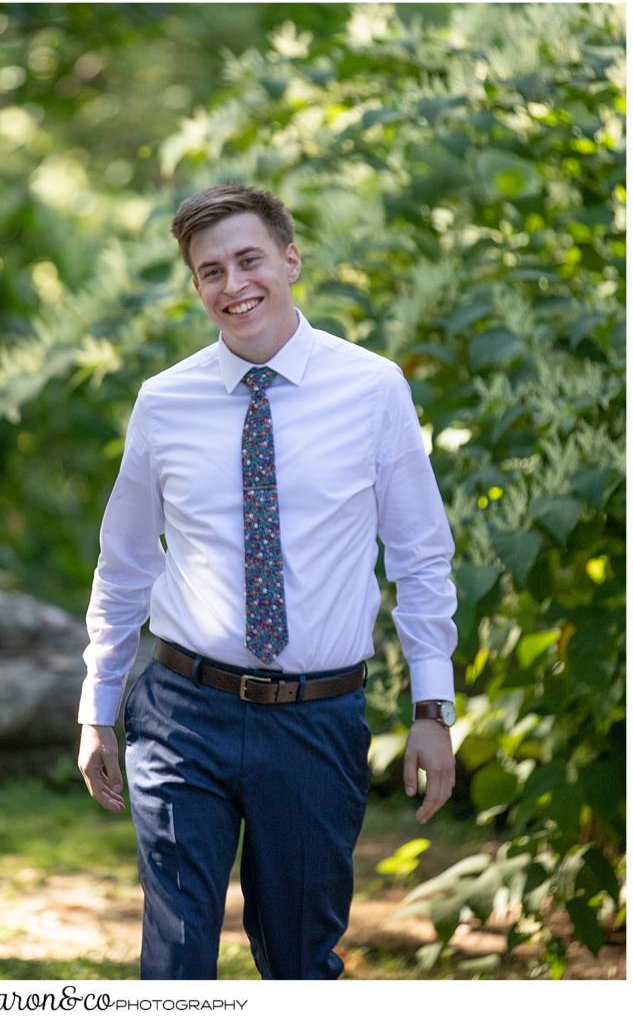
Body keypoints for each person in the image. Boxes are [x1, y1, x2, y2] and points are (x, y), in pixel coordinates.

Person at [77, 183, 458, 981]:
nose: (232, 284)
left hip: (315, 720)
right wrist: (98, 707)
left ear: (289, 258)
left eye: (248, 259)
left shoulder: (373, 389)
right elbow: (125, 562)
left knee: (297, 959)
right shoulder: (164, 402)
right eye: (209, 271)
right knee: (176, 956)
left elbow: (419, 556)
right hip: (183, 710)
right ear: (195, 287)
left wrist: (432, 708)